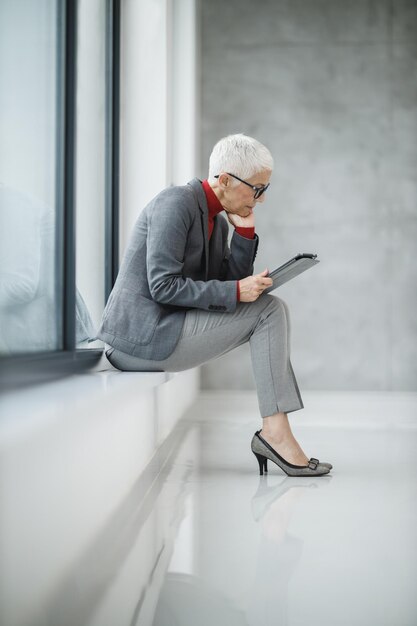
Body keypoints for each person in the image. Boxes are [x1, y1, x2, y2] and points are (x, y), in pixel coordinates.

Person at [97, 134, 332, 476]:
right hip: (140, 339)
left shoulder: (216, 220)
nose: (261, 199)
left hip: (168, 329)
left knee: (270, 307)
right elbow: (162, 286)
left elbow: (225, 284)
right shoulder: (175, 203)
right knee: (270, 310)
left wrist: (245, 232)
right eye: (257, 189)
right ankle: (275, 434)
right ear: (225, 180)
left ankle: (275, 432)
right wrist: (237, 291)